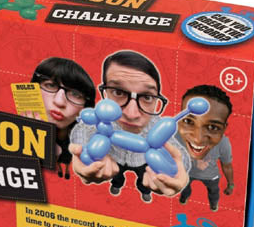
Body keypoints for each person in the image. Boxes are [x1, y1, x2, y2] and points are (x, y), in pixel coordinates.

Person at [69, 50, 190, 202]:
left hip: (142, 162)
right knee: (117, 177)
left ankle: (144, 191)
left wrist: (180, 172)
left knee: (143, 180)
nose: (132, 114)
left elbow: (178, 153)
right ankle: (116, 185)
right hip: (115, 160)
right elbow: (81, 131)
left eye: (147, 97)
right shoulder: (102, 120)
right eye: (118, 92)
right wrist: (81, 152)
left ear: (156, 99)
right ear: (105, 93)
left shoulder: (158, 127)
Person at [28, 57, 96, 180]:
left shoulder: (89, 149)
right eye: (50, 85)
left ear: (85, 108)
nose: (59, 102)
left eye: (75, 94)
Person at [176, 85, 234, 212]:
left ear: (224, 128)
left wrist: (230, 184)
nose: (198, 139)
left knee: (213, 192)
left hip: (210, 176)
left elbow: (227, 165)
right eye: (189, 121)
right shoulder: (175, 135)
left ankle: (213, 204)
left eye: (213, 127)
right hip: (187, 173)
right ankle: (184, 198)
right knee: (185, 189)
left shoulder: (223, 143)